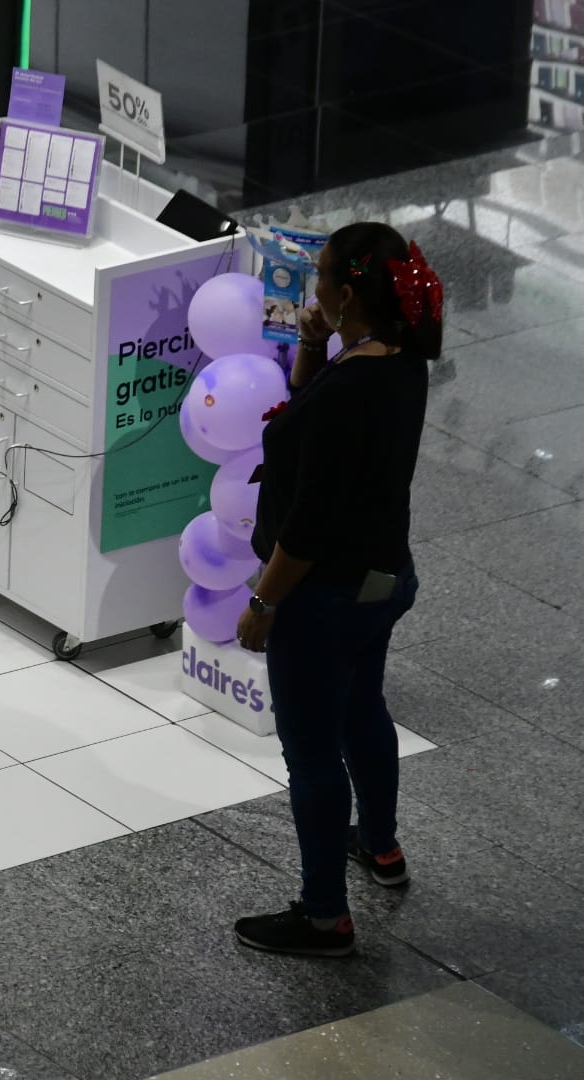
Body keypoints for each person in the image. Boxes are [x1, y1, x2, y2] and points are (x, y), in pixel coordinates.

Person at [233, 222, 443, 958]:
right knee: (363, 707)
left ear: (348, 293)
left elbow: (309, 524)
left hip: (320, 595)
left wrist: (265, 603)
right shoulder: (398, 360)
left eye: (318, 277)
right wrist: (315, 349)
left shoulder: (345, 394)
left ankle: (324, 918)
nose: (309, 289)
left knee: (313, 754)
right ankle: (381, 849)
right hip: (383, 580)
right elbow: (318, 438)